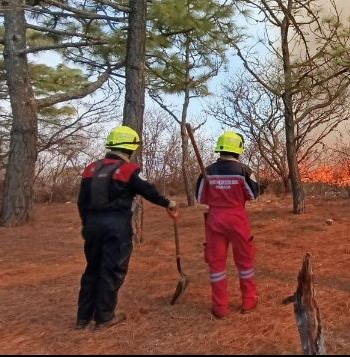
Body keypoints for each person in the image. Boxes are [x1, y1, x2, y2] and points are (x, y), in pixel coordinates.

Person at [75, 125, 179, 331]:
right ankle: (104, 318)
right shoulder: (129, 170)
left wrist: (86, 224)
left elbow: (81, 201)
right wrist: (169, 204)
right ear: (130, 148)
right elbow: (149, 191)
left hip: (92, 225)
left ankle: (82, 318)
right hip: (116, 225)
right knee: (111, 270)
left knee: (92, 269)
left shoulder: (90, 169)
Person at [195, 130, 260, 318]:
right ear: (238, 149)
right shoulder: (244, 171)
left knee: (216, 265)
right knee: (245, 262)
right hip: (237, 219)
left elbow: (200, 197)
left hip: (215, 220)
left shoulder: (207, 171)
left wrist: (216, 194)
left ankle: (219, 308)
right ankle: (249, 300)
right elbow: (253, 195)